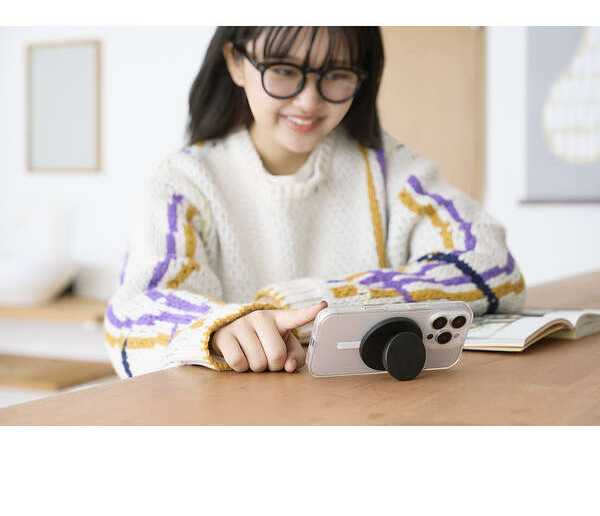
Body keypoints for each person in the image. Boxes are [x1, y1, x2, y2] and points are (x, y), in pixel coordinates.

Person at [104, 26, 526, 378]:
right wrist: (218, 329)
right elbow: (132, 322)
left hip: (374, 410)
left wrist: (299, 310)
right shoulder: (184, 181)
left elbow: (494, 266)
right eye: (283, 70)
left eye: (337, 74)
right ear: (235, 62)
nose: (308, 101)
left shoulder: (386, 167)